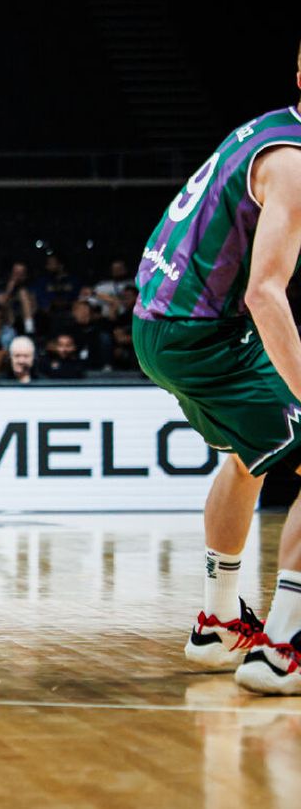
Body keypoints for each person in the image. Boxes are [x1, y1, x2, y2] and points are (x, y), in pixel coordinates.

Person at [134, 77, 301, 695]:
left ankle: (219, 622)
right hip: (203, 334)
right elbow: (264, 291)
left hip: (157, 322)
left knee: (244, 459)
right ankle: (284, 648)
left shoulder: (268, 129)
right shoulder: (293, 165)